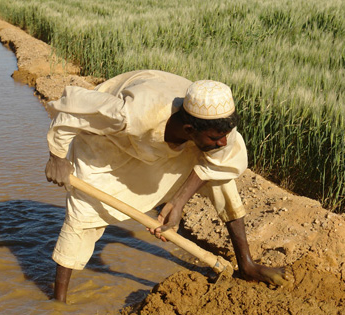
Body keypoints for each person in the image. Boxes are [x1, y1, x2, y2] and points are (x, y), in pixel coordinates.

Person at [45, 69, 288, 302]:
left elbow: (218, 164)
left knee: (222, 180)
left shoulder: (220, 124)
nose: (223, 141)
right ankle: (59, 301)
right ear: (189, 129)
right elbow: (72, 108)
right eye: (215, 138)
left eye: (224, 135)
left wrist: (177, 202)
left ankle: (246, 265)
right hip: (109, 143)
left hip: (166, 144)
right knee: (85, 211)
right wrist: (57, 156)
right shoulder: (133, 114)